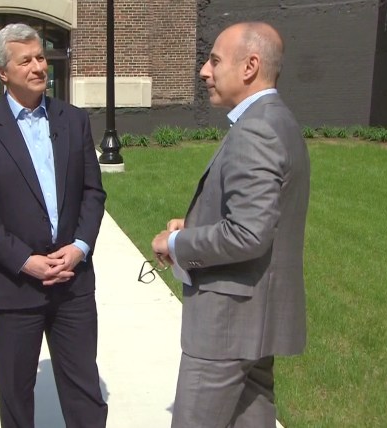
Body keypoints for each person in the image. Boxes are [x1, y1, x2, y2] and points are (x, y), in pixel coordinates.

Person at [151, 22, 310, 427]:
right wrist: (198, 220)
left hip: (226, 327)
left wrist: (178, 242)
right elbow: (260, 217)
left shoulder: (257, 128)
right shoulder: (278, 120)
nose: (204, 70)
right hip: (254, 323)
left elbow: (247, 234)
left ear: (250, 66)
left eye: (215, 60)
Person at [0, 23, 108, 428]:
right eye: (26, 60)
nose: (39, 66)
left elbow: (93, 192)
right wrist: (26, 260)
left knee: (85, 392)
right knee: (16, 396)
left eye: (41, 57)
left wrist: (79, 247)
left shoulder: (74, 121)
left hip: (73, 283)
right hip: (12, 286)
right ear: (3, 72)